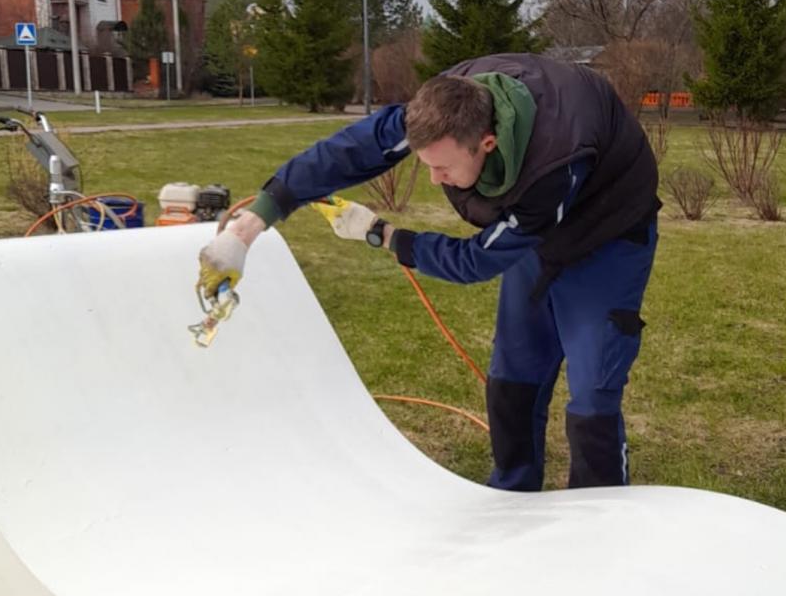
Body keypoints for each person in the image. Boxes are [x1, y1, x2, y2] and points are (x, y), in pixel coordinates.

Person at [197, 53, 661, 491]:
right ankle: (513, 499)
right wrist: (249, 226)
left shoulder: (555, 162)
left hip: (609, 234)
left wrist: (384, 235)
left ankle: (600, 519)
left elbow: (476, 260)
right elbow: (349, 152)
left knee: (592, 395)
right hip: (535, 231)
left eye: (442, 168)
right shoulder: (448, 106)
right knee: (513, 376)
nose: (434, 180)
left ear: (487, 143)